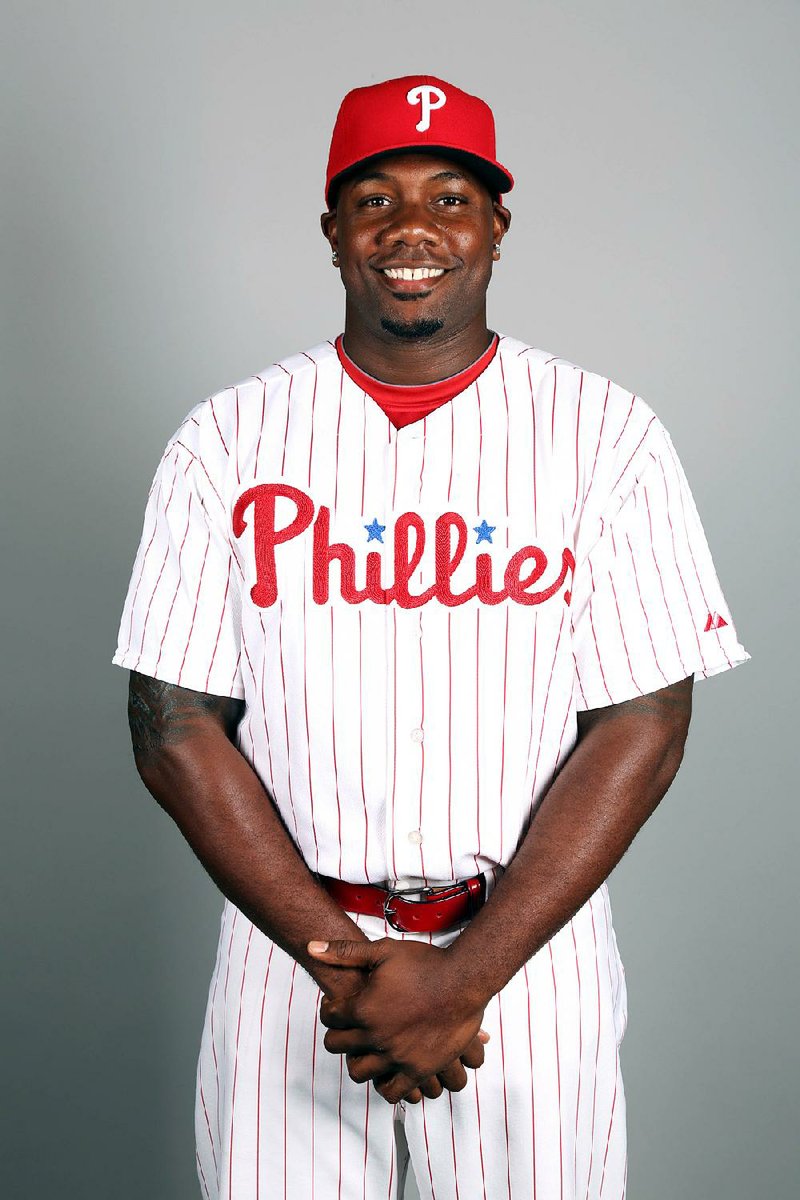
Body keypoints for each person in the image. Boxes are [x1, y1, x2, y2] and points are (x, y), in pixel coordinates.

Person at [114, 75, 749, 1200]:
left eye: (449, 197)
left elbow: (646, 719)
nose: (411, 228)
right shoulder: (226, 438)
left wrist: (468, 978)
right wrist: (342, 964)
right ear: (332, 233)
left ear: (495, 227)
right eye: (374, 199)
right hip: (286, 953)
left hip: (527, 953)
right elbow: (173, 727)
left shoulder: (606, 435)